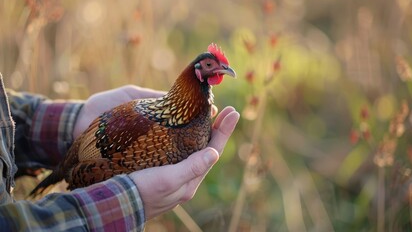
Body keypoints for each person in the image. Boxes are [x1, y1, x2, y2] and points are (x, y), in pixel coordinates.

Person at [0, 74, 240, 231]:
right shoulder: (147, 128)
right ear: (196, 73)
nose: (222, 70)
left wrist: (72, 119)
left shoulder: (184, 118)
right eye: (210, 66)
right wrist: (128, 201)